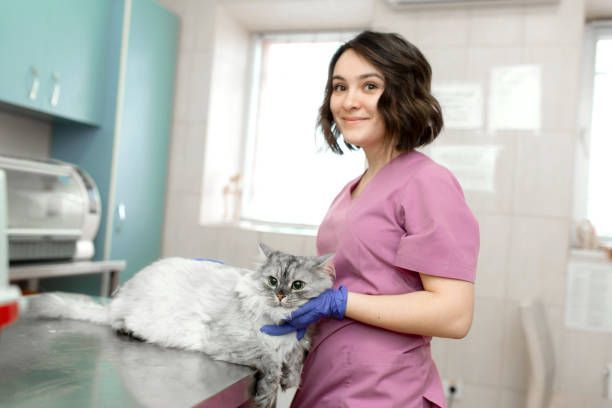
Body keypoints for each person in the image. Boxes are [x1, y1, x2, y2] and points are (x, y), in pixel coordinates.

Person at [261, 30, 479, 408]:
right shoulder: (353, 188)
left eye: (370, 85)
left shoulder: (427, 182)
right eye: (339, 87)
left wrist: (341, 303)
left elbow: (454, 314)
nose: (349, 101)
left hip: (384, 392)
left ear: (403, 94)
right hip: (328, 382)